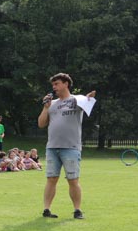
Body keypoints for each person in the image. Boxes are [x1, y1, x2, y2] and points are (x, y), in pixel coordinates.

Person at [38, 72, 96, 219]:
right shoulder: (51, 104)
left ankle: (77, 210)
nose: (54, 87)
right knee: (51, 179)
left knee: (73, 180)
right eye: (53, 84)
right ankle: (46, 210)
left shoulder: (77, 100)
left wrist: (89, 98)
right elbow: (41, 124)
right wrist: (45, 108)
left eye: (56, 84)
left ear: (66, 84)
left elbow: (88, 100)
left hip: (71, 147)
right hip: (52, 147)